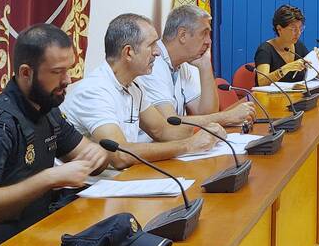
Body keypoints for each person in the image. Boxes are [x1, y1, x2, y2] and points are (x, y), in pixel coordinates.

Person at [0, 24, 110, 246]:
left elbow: (88, 155)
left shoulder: (46, 109)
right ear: (25, 73)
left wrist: (98, 155)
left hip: (34, 236)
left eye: (69, 69)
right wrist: (49, 178)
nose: (67, 80)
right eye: (57, 72)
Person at [61, 14, 224, 170]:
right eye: (151, 45)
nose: (157, 52)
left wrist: (207, 131)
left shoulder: (133, 86)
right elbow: (120, 155)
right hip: (90, 185)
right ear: (128, 52)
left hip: (123, 178)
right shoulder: (94, 91)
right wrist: (189, 145)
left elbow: (162, 130)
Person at [135, 4, 254, 138]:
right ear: (183, 35)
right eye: (204, 33)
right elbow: (169, 122)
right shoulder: (152, 64)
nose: (209, 41)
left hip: (176, 143)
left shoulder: (185, 63)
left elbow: (207, 113)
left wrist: (205, 66)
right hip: (152, 148)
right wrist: (226, 117)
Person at [254, 4, 319, 86]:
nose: (298, 33)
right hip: (270, 94)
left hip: (296, 94)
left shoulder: (299, 45)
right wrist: (285, 69)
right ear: (279, 29)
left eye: (300, 28)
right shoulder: (265, 50)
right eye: (293, 29)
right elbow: (262, 82)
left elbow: (316, 79)